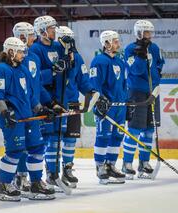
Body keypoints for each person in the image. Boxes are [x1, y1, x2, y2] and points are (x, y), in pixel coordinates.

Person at [0, 37, 55, 201]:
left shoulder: (23, 69)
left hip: (29, 117)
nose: (23, 55)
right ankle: (4, 185)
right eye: (20, 52)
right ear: (10, 52)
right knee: (15, 151)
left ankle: (35, 183)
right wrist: (5, 112)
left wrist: (41, 109)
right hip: (13, 119)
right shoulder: (0, 69)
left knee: (38, 148)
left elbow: (30, 95)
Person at [12, 22, 52, 196]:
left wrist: (49, 103)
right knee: (20, 147)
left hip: (34, 110)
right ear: (21, 37)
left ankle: (33, 179)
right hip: (20, 112)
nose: (34, 38)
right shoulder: (12, 61)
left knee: (36, 145)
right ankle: (19, 177)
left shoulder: (33, 58)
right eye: (30, 35)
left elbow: (37, 85)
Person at [30, 15, 70, 189]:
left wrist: (70, 52)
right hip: (46, 99)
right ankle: (48, 172)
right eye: (51, 28)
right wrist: (52, 72)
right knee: (47, 137)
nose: (55, 31)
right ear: (42, 31)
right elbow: (35, 78)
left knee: (57, 138)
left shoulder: (57, 46)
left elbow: (68, 67)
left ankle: (54, 173)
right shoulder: (35, 50)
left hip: (60, 98)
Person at [122, 20, 164, 179]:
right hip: (137, 92)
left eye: (150, 32)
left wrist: (156, 77)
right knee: (134, 129)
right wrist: (141, 57)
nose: (149, 35)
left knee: (149, 130)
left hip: (152, 92)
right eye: (146, 32)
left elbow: (160, 64)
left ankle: (144, 163)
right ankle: (127, 164)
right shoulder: (130, 49)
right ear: (139, 33)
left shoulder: (154, 48)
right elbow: (136, 71)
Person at [53, 26, 93, 188]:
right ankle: (52, 173)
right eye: (66, 39)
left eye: (72, 38)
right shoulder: (53, 56)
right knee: (54, 140)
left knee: (70, 139)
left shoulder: (77, 57)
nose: (70, 42)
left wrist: (91, 92)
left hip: (72, 104)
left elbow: (83, 80)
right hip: (56, 104)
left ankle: (67, 170)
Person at [89, 30, 127, 184]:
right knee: (103, 136)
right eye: (115, 41)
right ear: (106, 43)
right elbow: (94, 84)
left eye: (118, 41)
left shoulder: (120, 61)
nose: (118, 44)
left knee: (118, 136)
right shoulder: (98, 61)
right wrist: (99, 100)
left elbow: (124, 85)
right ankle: (100, 166)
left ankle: (111, 165)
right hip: (106, 107)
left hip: (120, 107)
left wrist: (126, 101)